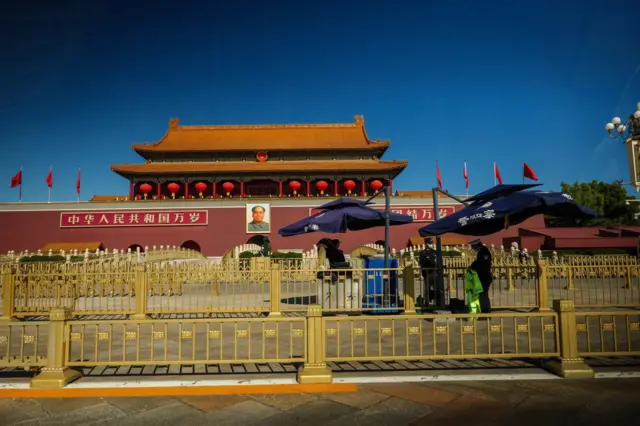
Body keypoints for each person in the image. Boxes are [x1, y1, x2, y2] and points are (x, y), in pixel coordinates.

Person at [469, 239, 492, 313]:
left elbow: (482, 263)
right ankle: (485, 311)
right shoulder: (482, 252)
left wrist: (473, 266)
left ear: (477, 245)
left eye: (474, 247)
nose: (473, 249)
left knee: (483, 295)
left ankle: (485, 312)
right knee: (482, 294)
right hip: (483, 276)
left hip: (484, 277)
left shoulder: (484, 252)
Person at [419, 238, 438, 305]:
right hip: (427, 273)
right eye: (429, 243)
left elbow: (437, 262)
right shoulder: (422, 253)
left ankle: (437, 303)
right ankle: (427, 303)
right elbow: (422, 263)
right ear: (426, 244)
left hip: (434, 273)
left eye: (431, 243)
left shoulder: (435, 252)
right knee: (427, 289)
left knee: (436, 288)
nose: (431, 244)